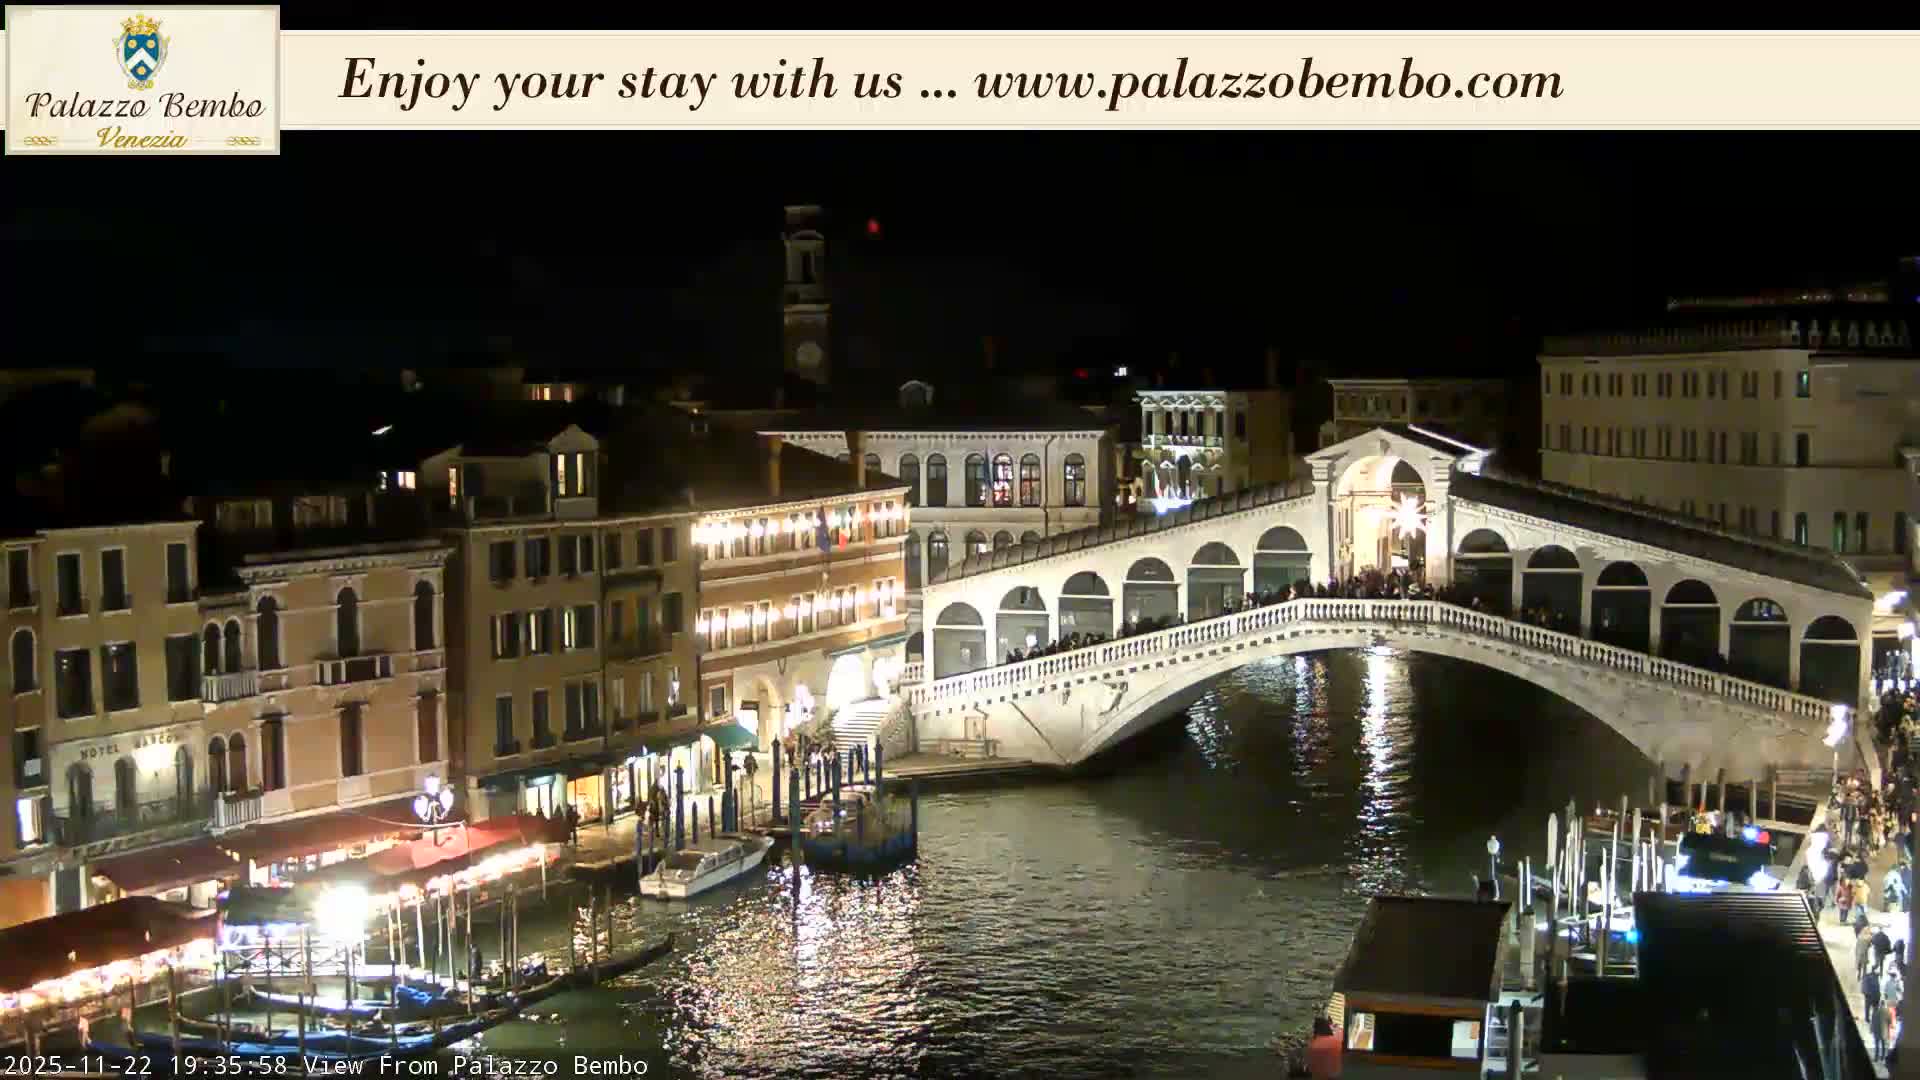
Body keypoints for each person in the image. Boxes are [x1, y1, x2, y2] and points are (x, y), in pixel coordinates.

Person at [1306, 1014, 1343, 1080]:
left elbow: (1310, 1068)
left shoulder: (1312, 1046)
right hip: (1339, 1075)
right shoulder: (1338, 1039)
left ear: (1315, 1030)